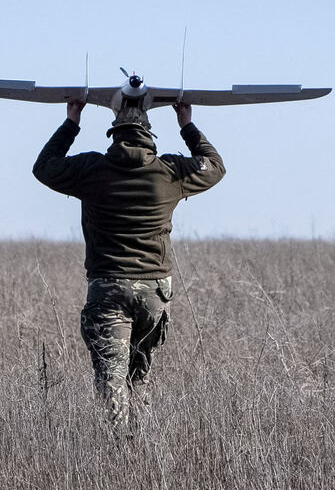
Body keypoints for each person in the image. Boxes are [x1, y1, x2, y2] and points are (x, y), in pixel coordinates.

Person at [32, 100, 225, 437]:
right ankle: (146, 449)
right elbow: (215, 167)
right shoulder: (171, 172)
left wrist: (71, 121)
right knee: (139, 375)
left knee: (111, 378)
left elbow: (44, 167)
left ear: (114, 134)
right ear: (149, 134)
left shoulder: (90, 169)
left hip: (107, 292)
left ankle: (119, 452)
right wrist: (187, 125)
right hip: (155, 293)